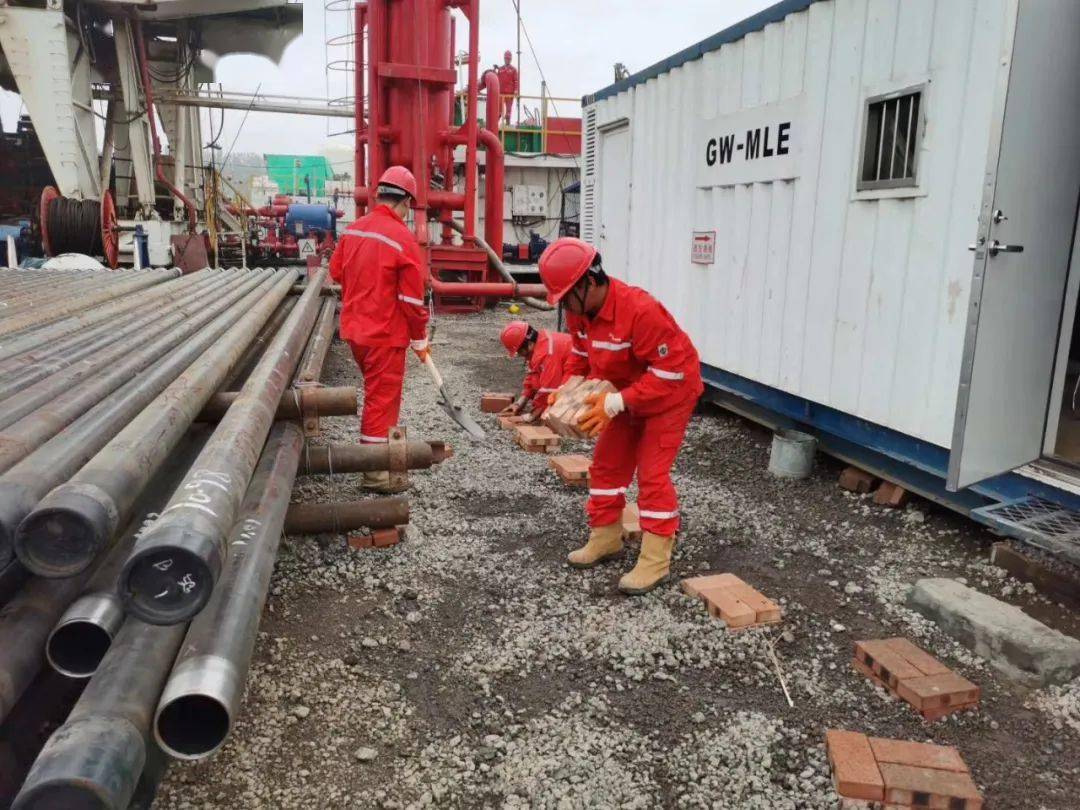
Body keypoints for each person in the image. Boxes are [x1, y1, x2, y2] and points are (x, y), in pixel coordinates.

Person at [538, 237, 703, 595]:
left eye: (567, 294)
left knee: (652, 474)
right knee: (606, 467)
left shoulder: (640, 311)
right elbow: (580, 356)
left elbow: (673, 371)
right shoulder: (579, 312)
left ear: (590, 281)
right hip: (620, 395)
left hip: (669, 396)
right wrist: (567, 390)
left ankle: (655, 560)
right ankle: (606, 538)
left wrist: (617, 402)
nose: (565, 304)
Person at [329, 166, 430, 492]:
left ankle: (376, 458)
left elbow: (336, 272)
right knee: (381, 399)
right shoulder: (403, 239)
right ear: (406, 202)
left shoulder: (354, 231)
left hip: (356, 332)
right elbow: (412, 301)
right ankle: (374, 472)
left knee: (376, 394)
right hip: (384, 335)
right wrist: (420, 335)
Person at [498, 320, 574, 419]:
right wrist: (519, 404)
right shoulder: (540, 343)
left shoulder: (547, 353)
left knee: (560, 409)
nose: (521, 356)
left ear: (529, 344)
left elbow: (549, 389)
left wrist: (533, 415)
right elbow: (534, 375)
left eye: (520, 352)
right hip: (571, 371)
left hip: (586, 379)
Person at [495, 50, 518, 124]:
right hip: (500, 93)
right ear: (504, 58)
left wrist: (516, 90)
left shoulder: (513, 70)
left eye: (508, 58)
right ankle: (495, 124)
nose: (507, 60)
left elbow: (516, 81)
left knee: (508, 111)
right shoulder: (500, 69)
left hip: (509, 93)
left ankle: (507, 124)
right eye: (506, 58)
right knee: (499, 111)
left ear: (510, 59)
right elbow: (496, 79)